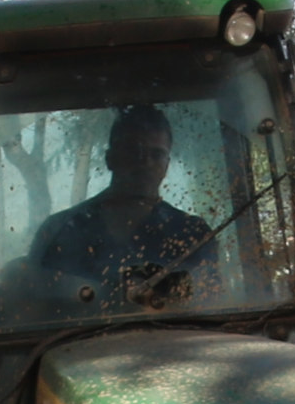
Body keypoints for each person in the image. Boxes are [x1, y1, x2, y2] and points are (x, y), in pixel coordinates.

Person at [31, 103, 213, 307]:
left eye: (157, 155)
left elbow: (214, 308)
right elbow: (37, 311)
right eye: (134, 151)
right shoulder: (59, 234)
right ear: (110, 159)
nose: (145, 162)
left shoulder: (193, 236)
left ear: (166, 165)